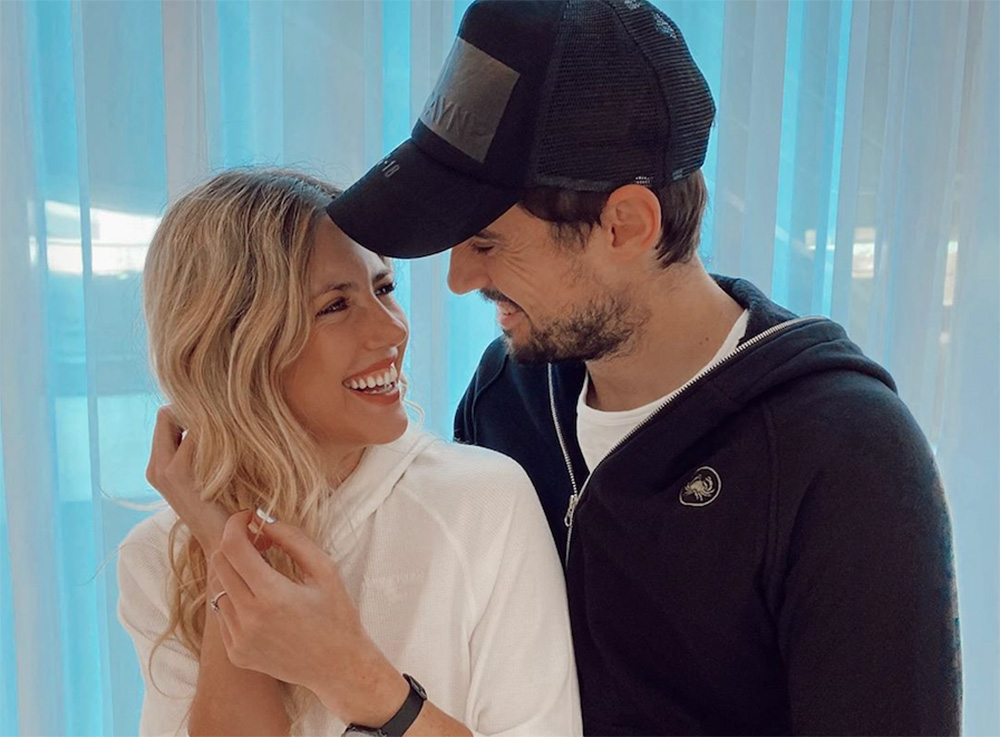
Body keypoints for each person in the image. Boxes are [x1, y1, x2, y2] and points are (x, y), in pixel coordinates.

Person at [325, 0, 962, 734]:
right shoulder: (507, 394)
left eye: (487, 242)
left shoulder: (845, 457)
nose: (458, 278)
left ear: (625, 224)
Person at [116, 169, 581, 737]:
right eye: (335, 306)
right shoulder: (161, 556)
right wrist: (224, 550)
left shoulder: (481, 500)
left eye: (384, 289)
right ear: (235, 345)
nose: (392, 332)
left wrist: (351, 674)